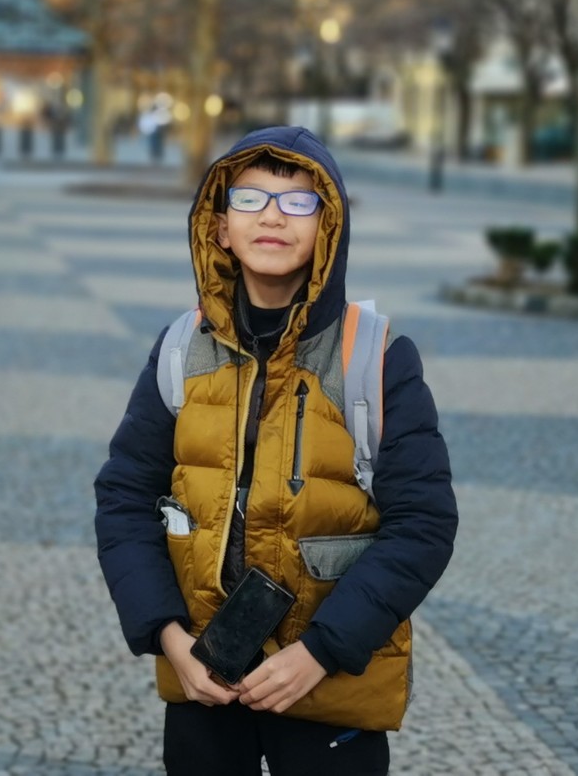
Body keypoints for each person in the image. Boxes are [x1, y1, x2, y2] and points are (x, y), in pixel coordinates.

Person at [94, 125, 456, 776]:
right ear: (220, 225)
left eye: (297, 203)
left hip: (329, 683)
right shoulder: (182, 349)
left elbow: (424, 526)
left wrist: (320, 651)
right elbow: (123, 498)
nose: (272, 218)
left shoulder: (376, 357)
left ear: (328, 228)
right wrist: (169, 638)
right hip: (206, 675)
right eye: (250, 199)